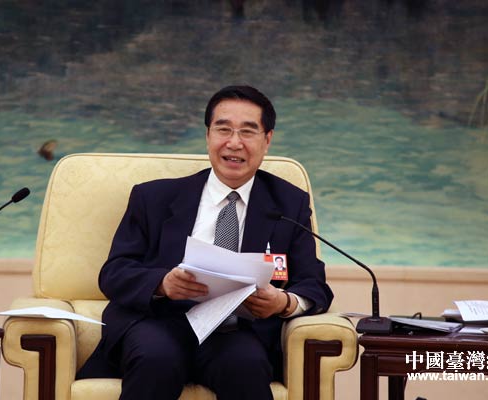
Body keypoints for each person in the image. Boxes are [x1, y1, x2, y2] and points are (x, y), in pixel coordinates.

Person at [77, 85, 333, 400]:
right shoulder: (154, 198)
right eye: (223, 129)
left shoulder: (289, 204)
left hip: (235, 332)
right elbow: (114, 273)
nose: (234, 143)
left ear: (267, 140)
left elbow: (314, 285)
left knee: (246, 366)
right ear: (208, 135)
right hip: (160, 322)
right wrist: (162, 284)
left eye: (247, 131)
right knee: (156, 359)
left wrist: (284, 303)